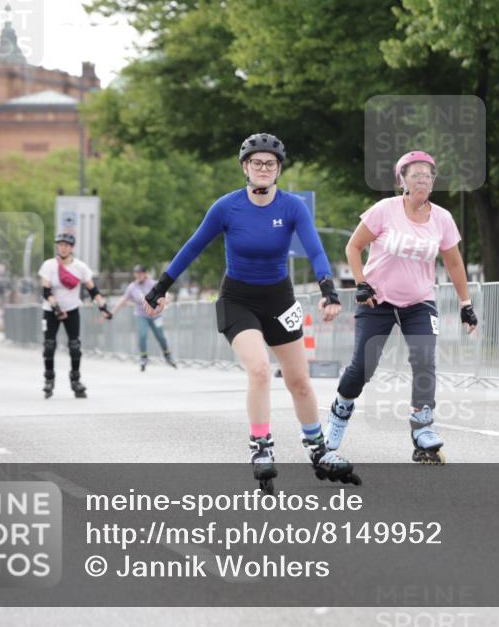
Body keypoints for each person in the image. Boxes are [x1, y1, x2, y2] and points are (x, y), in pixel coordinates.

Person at [142, 133, 360, 492]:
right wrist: (160, 288)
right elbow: (193, 247)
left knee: (299, 381)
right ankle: (261, 446)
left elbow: (316, 250)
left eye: (270, 164)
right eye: (256, 163)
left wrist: (328, 291)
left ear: (278, 170)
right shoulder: (227, 207)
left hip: (279, 300)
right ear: (245, 167)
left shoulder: (292, 207)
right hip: (238, 300)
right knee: (259, 369)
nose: (262, 168)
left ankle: (318, 449)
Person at [325, 151, 477, 464]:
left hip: (419, 303)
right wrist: (361, 283)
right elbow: (353, 247)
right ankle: (340, 411)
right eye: (415, 174)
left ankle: (423, 428)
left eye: (428, 175)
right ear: (402, 181)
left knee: (424, 360)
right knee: (362, 368)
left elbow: (454, 263)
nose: (422, 179)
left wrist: (466, 304)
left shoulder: (443, 219)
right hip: (377, 301)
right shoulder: (385, 210)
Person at [38, 233, 112, 398]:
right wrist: (56, 307)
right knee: (49, 345)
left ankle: (75, 380)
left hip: (72, 310)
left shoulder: (80, 267)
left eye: (66, 245)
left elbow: (93, 290)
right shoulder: (49, 265)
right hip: (51, 310)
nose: (63, 247)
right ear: (57, 247)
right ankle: (49, 379)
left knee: (75, 346)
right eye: (60, 244)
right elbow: (46, 290)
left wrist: (103, 307)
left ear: (72, 248)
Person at [111, 264, 177, 371]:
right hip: (141, 315)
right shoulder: (132, 287)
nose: (139, 275)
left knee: (160, 336)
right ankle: (143, 357)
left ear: (145, 274)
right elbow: (123, 300)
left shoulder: (153, 283)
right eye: (137, 273)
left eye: (141, 273)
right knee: (142, 335)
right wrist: (112, 312)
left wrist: (167, 299)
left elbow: (165, 291)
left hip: (156, 315)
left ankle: (167, 355)